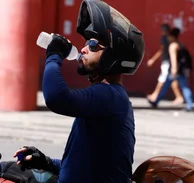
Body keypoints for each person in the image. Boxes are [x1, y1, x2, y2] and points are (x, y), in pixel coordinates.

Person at [13, 1, 145, 182]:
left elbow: (56, 98)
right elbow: (85, 165)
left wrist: (54, 54)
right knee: (4, 170)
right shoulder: (110, 97)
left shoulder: (110, 95)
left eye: (92, 44)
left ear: (113, 56)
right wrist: (47, 162)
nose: (83, 49)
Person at [148, 28, 193, 111]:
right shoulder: (181, 45)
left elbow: (173, 58)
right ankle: (190, 104)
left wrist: (174, 69)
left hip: (175, 70)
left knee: (166, 86)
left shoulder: (172, 46)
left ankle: (156, 101)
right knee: (184, 87)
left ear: (172, 37)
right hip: (182, 70)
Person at [146, 24, 184, 104]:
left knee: (163, 79)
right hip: (169, 62)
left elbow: (161, 50)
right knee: (171, 79)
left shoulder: (165, 39)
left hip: (167, 62)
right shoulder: (172, 39)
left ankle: (155, 95)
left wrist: (152, 60)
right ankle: (178, 96)